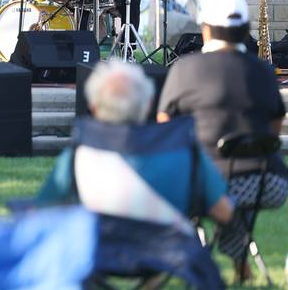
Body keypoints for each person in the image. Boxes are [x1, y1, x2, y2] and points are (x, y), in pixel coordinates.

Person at [157, 0, 288, 280]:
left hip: (204, 186)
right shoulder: (263, 70)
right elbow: (276, 122)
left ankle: (201, 262)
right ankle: (241, 266)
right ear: (244, 30)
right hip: (267, 185)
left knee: (221, 191)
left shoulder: (185, 69)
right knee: (234, 197)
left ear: (205, 29)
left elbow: (165, 125)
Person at [37, 61, 234, 228]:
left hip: (100, 249)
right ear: (149, 104)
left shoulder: (80, 153)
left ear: (93, 107)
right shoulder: (181, 149)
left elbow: (44, 211)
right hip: (167, 251)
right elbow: (224, 212)